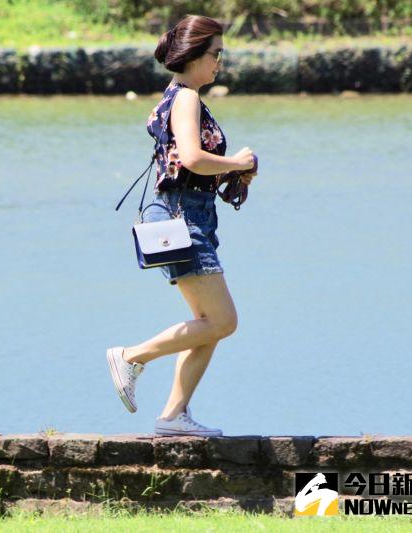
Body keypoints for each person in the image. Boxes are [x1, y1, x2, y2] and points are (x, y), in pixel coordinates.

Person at [107, 15, 258, 436]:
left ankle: (174, 416)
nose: (219, 63)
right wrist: (239, 163)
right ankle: (131, 356)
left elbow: (184, 166)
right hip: (183, 216)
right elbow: (191, 158)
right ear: (194, 54)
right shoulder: (187, 98)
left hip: (188, 213)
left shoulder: (175, 97)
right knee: (224, 321)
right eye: (216, 54)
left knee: (207, 323)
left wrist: (228, 174)